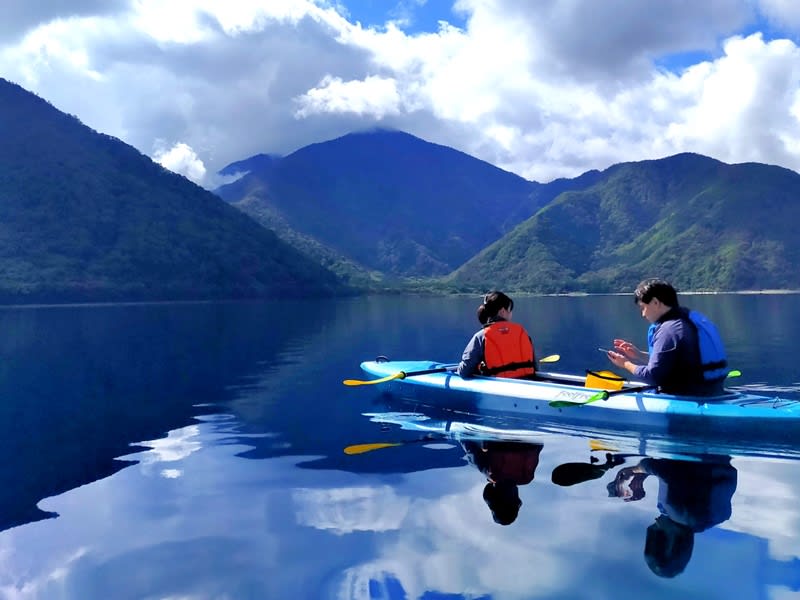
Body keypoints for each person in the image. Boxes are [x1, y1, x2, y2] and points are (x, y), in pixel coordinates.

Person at [607, 455, 738, 578]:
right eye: (655, 539)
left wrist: (645, 473)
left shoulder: (718, 516)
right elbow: (668, 469)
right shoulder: (675, 508)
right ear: (670, 541)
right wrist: (636, 470)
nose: (654, 523)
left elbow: (687, 478)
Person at [604, 278, 728, 396]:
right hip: (714, 391)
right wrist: (638, 355)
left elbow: (653, 376)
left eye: (643, 308)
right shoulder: (685, 321)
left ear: (655, 302)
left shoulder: (669, 330)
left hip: (689, 397)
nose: (643, 314)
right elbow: (674, 364)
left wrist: (625, 363)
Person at [461, 439, 544, 525]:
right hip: (498, 439)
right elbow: (466, 442)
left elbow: (539, 446)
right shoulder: (487, 470)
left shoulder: (526, 477)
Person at [456, 291, 536, 379]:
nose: (511, 314)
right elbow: (534, 366)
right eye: (510, 310)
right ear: (502, 311)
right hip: (529, 383)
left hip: (499, 387)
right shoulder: (522, 332)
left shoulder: (481, 336)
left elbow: (464, 371)